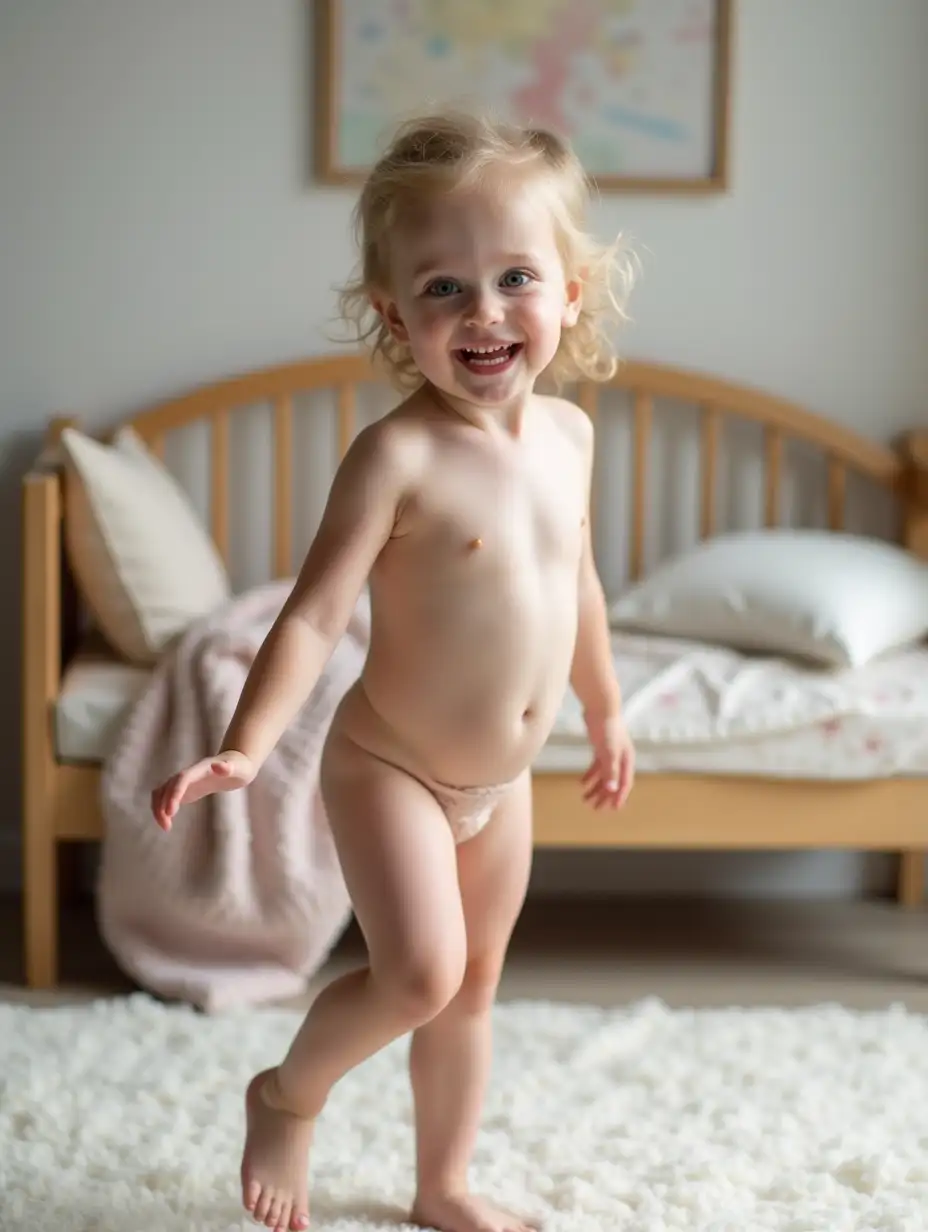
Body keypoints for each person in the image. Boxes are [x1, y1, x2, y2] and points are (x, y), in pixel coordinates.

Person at [150, 109, 637, 1232]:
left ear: (568, 292)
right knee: (416, 975)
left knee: (470, 992)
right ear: (392, 315)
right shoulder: (398, 454)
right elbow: (316, 616)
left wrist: (603, 710)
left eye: (515, 276)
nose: (482, 313)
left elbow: (579, 585)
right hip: (391, 768)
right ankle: (286, 1093)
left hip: (502, 784)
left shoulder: (571, 436)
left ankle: (442, 1181)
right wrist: (248, 742)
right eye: (442, 289)